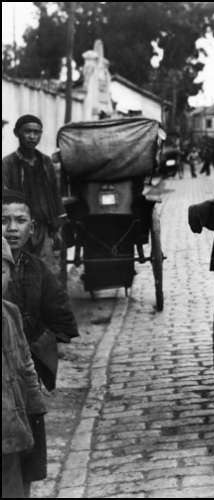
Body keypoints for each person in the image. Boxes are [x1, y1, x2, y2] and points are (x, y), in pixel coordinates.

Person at [2, 190, 79, 392]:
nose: (12, 228)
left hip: (27, 365)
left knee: (32, 415)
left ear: (32, 228)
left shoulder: (38, 269)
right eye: (3, 221)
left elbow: (60, 314)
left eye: (20, 221)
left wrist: (38, 345)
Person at [2, 235, 48, 498]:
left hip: (15, 419)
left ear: (10, 273)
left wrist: (35, 409)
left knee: (18, 484)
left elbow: (26, 364)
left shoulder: (11, 313)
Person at [2, 115, 68, 278]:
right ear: (16, 133)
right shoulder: (8, 164)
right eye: (27, 131)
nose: (32, 136)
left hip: (44, 226)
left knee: (47, 272)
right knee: (19, 272)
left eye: (36, 132)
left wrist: (57, 227)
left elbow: (55, 194)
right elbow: (4, 198)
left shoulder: (46, 162)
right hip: (20, 227)